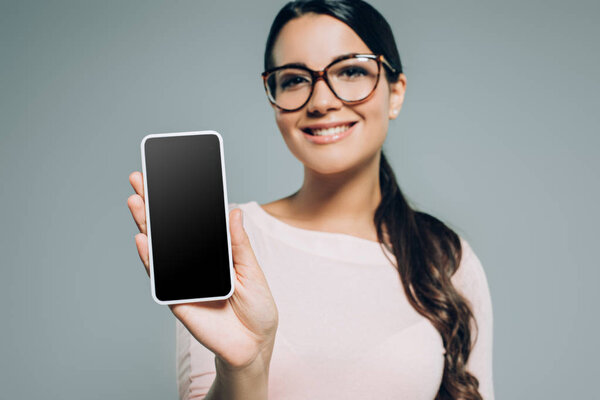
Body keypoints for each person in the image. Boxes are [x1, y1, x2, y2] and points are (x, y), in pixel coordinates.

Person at [127, 0, 494, 399]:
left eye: (351, 70)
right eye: (294, 79)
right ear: (273, 99)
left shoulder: (445, 258)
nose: (321, 101)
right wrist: (245, 366)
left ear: (396, 92)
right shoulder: (231, 244)